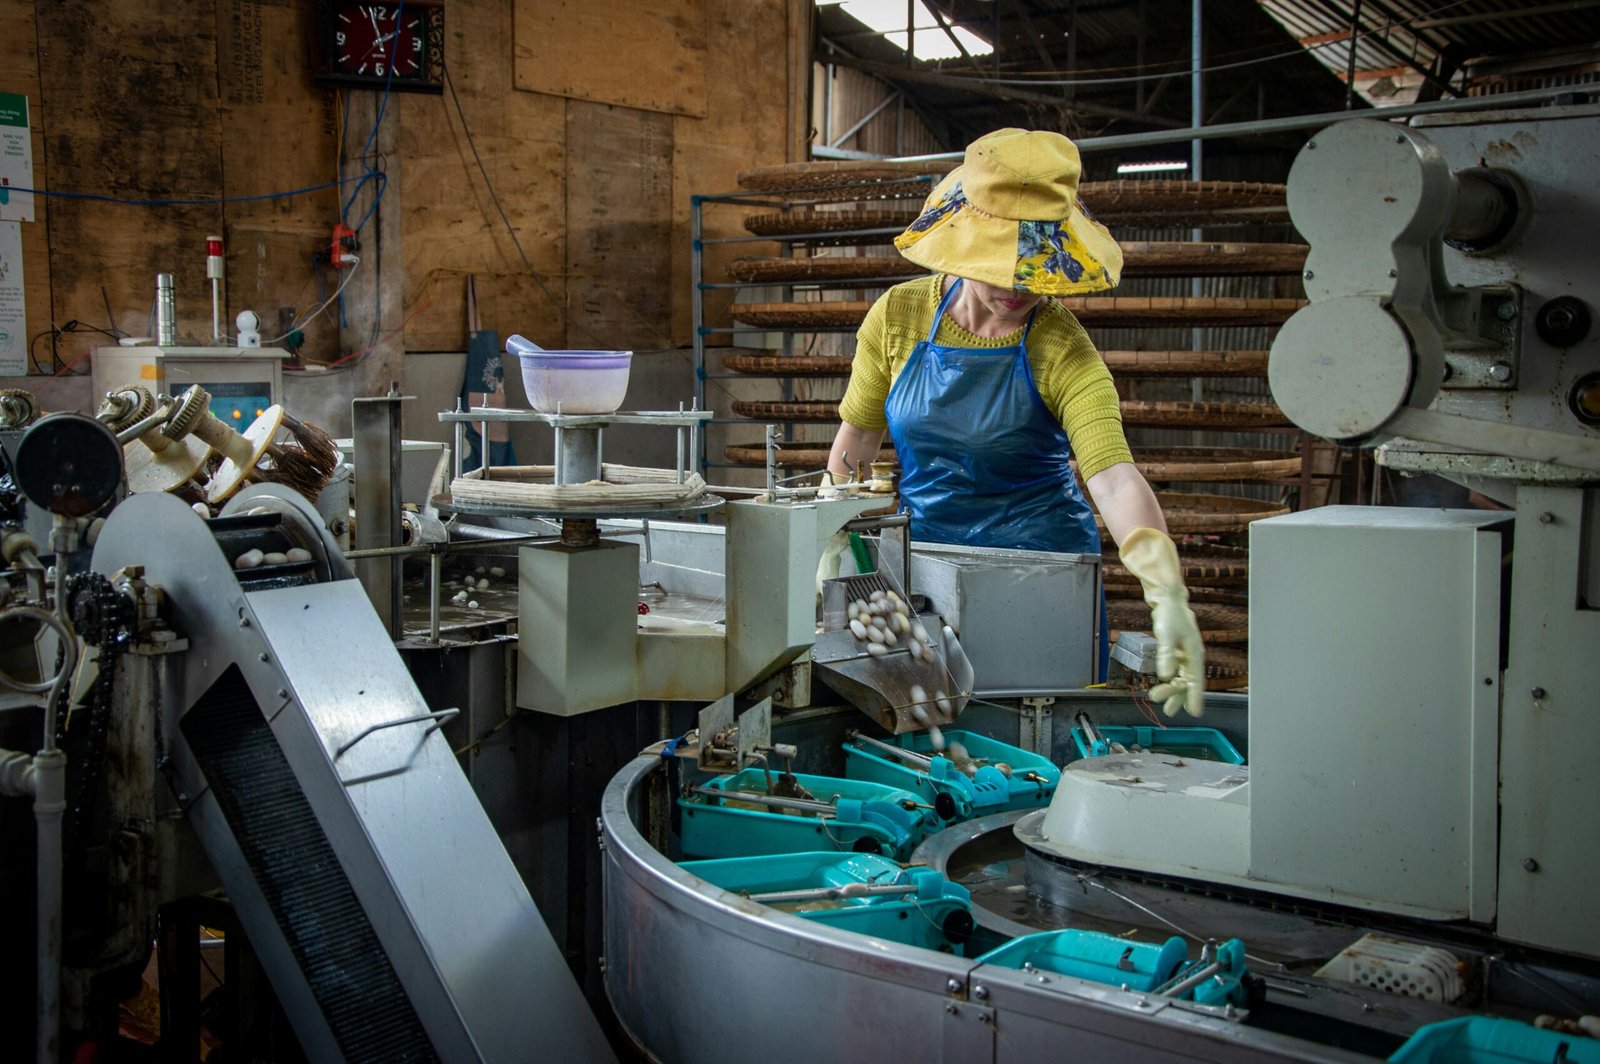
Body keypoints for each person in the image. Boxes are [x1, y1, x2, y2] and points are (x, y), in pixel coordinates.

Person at [824, 128, 1205, 717]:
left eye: (1033, 267)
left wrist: (1166, 590)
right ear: (963, 243)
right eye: (999, 264)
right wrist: (833, 534)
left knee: (1038, 736)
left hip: (1043, 576)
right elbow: (858, 439)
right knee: (925, 734)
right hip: (922, 568)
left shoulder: (1062, 346)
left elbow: (1113, 479)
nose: (1016, 286)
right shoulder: (898, 315)